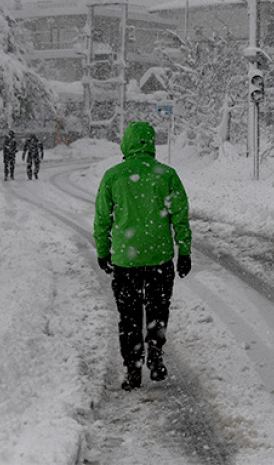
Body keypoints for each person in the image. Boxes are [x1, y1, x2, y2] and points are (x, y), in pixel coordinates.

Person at [94, 122, 192, 391]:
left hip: (126, 261)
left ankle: (132, 369)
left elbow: (102, 219)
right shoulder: (166, 175)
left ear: (126, 143)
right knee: (158, 309)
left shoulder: (113, 176)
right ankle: (154, 346)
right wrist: (183, 251)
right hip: (159, 258)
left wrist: (103, 251)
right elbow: (180, 216)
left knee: (129, 315)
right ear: (151, 143)